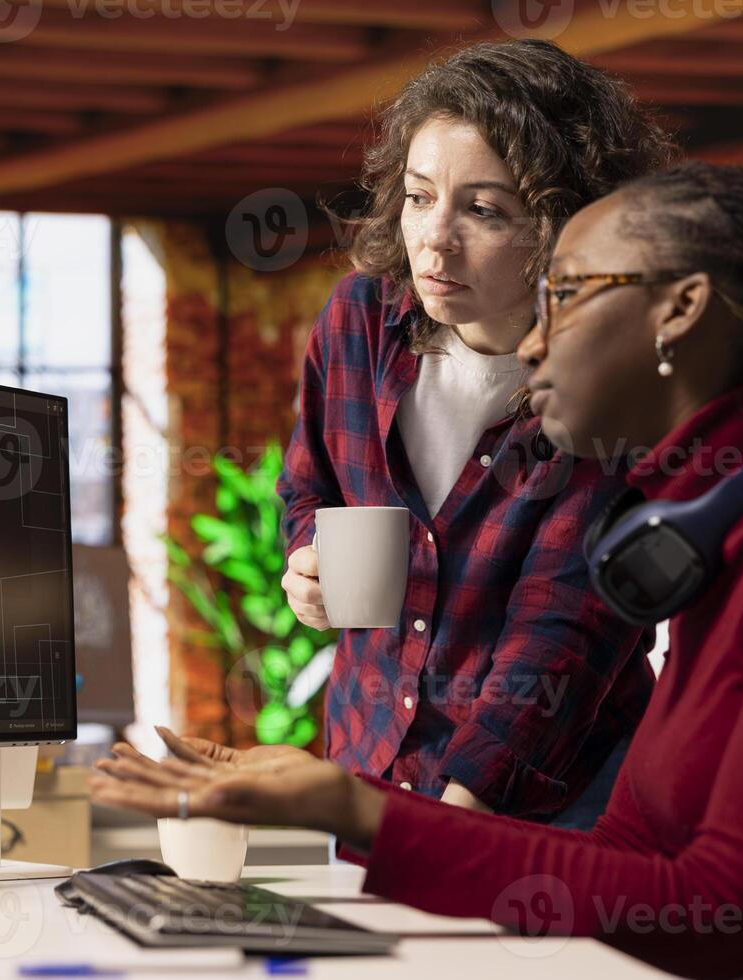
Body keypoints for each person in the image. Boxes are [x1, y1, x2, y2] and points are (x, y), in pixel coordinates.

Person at [89, 163, 743, 979]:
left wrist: (358, 813)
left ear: (681, 310)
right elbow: (626, 852)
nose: (535, 343)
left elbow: (725, 917)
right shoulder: (704, 525)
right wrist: (353, 807)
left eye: (567, 294)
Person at [275, 38, 673, 828]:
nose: (434, 238)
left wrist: (449, 826)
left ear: (566, 229)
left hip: (551, 795)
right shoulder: (360, 321)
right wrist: (307, 565)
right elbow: (309, 484)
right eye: (420, 197)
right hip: (371, 758)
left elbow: (568, 632)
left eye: (483, 211)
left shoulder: (606, 382)